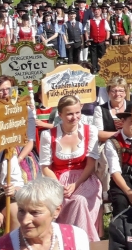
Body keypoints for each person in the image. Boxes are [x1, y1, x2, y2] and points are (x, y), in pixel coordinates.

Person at [38, 96, 102, 240]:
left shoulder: (90, 131)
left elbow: (91, 164)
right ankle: (68, 237)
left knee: (79, 200)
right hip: (56, 180)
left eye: (77, 112)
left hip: (85, 178)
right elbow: (45, 167)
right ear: (60, 115)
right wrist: (59, 186)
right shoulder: (48, 135)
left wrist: (76, 184)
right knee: (65, 199)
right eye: (69, 114)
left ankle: (80, 239)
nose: (75, 117)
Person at [93, 76, 132, 143]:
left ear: (125, 93)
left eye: (121, 91)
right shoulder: (100, 109)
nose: (117, 94)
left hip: (131, 143)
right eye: (113, 91)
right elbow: (99, 135)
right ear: (108, 92)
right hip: (108, 143)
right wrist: (123, 134)